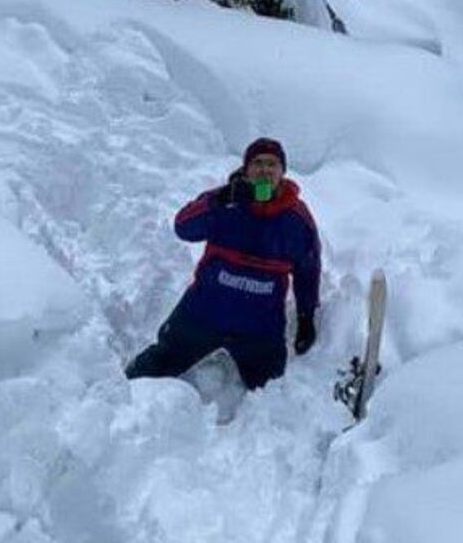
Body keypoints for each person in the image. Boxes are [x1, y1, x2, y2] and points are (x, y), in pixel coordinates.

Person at [125, 138, 321, 390]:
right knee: (155, 366)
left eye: (272, 164)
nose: (264, 170)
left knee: (272, 392)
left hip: (259, 326)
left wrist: (306, 316)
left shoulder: (296, 219)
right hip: (204, 312)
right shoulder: (225, 202)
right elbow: (183, 227)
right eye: (257, 163)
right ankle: (113, 395)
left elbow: (308, 268)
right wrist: (220, 200)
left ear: (282, 172)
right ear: (246, 169)